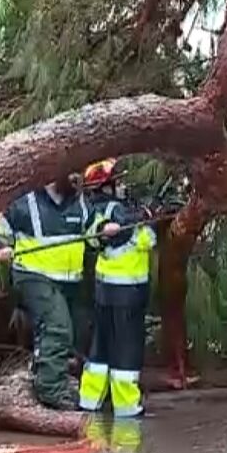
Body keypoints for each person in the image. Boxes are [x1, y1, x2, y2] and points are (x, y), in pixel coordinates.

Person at [0, 175, 120, 410]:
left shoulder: (79, 201)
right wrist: (1, 247)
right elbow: (0, 229)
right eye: (71, 174)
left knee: (77, 330)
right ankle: (50, 389)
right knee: (57, 326)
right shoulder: (26, 201)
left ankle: (47, 372)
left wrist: (103, 230)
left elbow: (92, 227)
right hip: (33, 276)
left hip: (69, 280)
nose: (77, 178)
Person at [79, 158, 156, 419]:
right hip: (128, 293)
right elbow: (146, 239)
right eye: (117, 181)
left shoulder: (93, 209)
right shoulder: (119, 211)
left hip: (105, 292)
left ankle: (89, 401)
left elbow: (93, 236)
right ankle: (126, 407)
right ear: (107, 185)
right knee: (127, 351)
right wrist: (146, 220)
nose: (122, 186)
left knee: (100, 349)